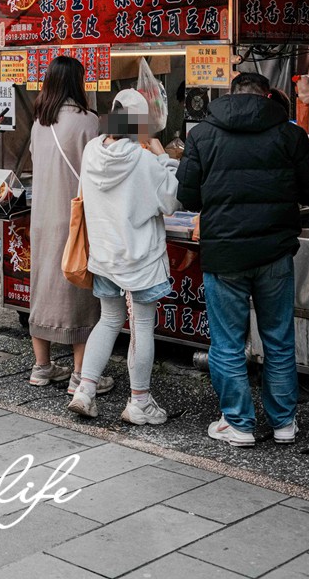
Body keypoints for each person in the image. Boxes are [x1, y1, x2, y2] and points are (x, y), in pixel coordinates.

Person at [176, 71, 309, 447]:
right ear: (267, 95)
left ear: (230, 95)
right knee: (278, 340)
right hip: (275, 252)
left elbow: (190, 198)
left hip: (225, 254)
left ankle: (239, 424)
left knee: (228, 342)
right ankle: (283, 424)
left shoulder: (202, 134)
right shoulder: (289, 135)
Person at [68, 89, 179, 423]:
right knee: (142, 324)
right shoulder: (144, 160)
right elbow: (171, 201)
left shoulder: (91, 150)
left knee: (110, 319)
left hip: (103, 253)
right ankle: (139, 402)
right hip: (140, 257)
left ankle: (85, 390)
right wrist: (164, 157)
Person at [29, 56, 108, 395]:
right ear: (78, 82)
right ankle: (79, 374)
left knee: (42, 286)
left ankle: (42, 367)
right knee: (79, 291)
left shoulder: (38, 122)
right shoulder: (89, 122)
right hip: (76, 218)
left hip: (42, 217)